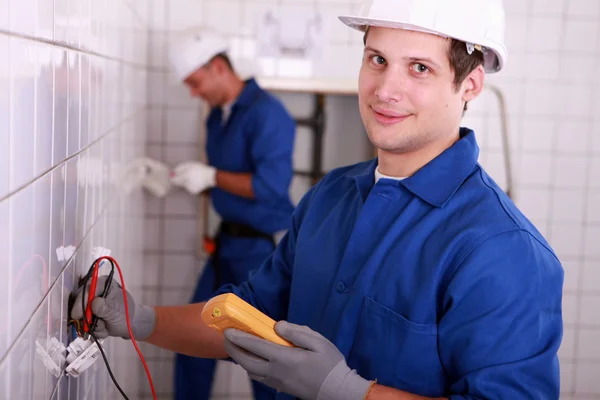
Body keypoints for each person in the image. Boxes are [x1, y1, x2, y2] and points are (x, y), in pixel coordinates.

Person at [71, 1, 564, 399]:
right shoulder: (332, 196)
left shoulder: (502, 250)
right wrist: (144, 320)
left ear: (469, 85)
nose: (385, 89)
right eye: (377, 59)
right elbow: (246, 315)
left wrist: (350, 392)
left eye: (419, 68)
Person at [167, 31, 296, 400]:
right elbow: (228, 181)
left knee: (260, 355)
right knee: (191, 342)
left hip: (260, 252)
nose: (193, 93)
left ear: (219, 67)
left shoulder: (268, 113)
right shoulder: (216, 118)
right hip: (227, 246)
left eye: (195, 82)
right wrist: (177, 179)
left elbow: (270, 186)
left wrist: (209, 176)